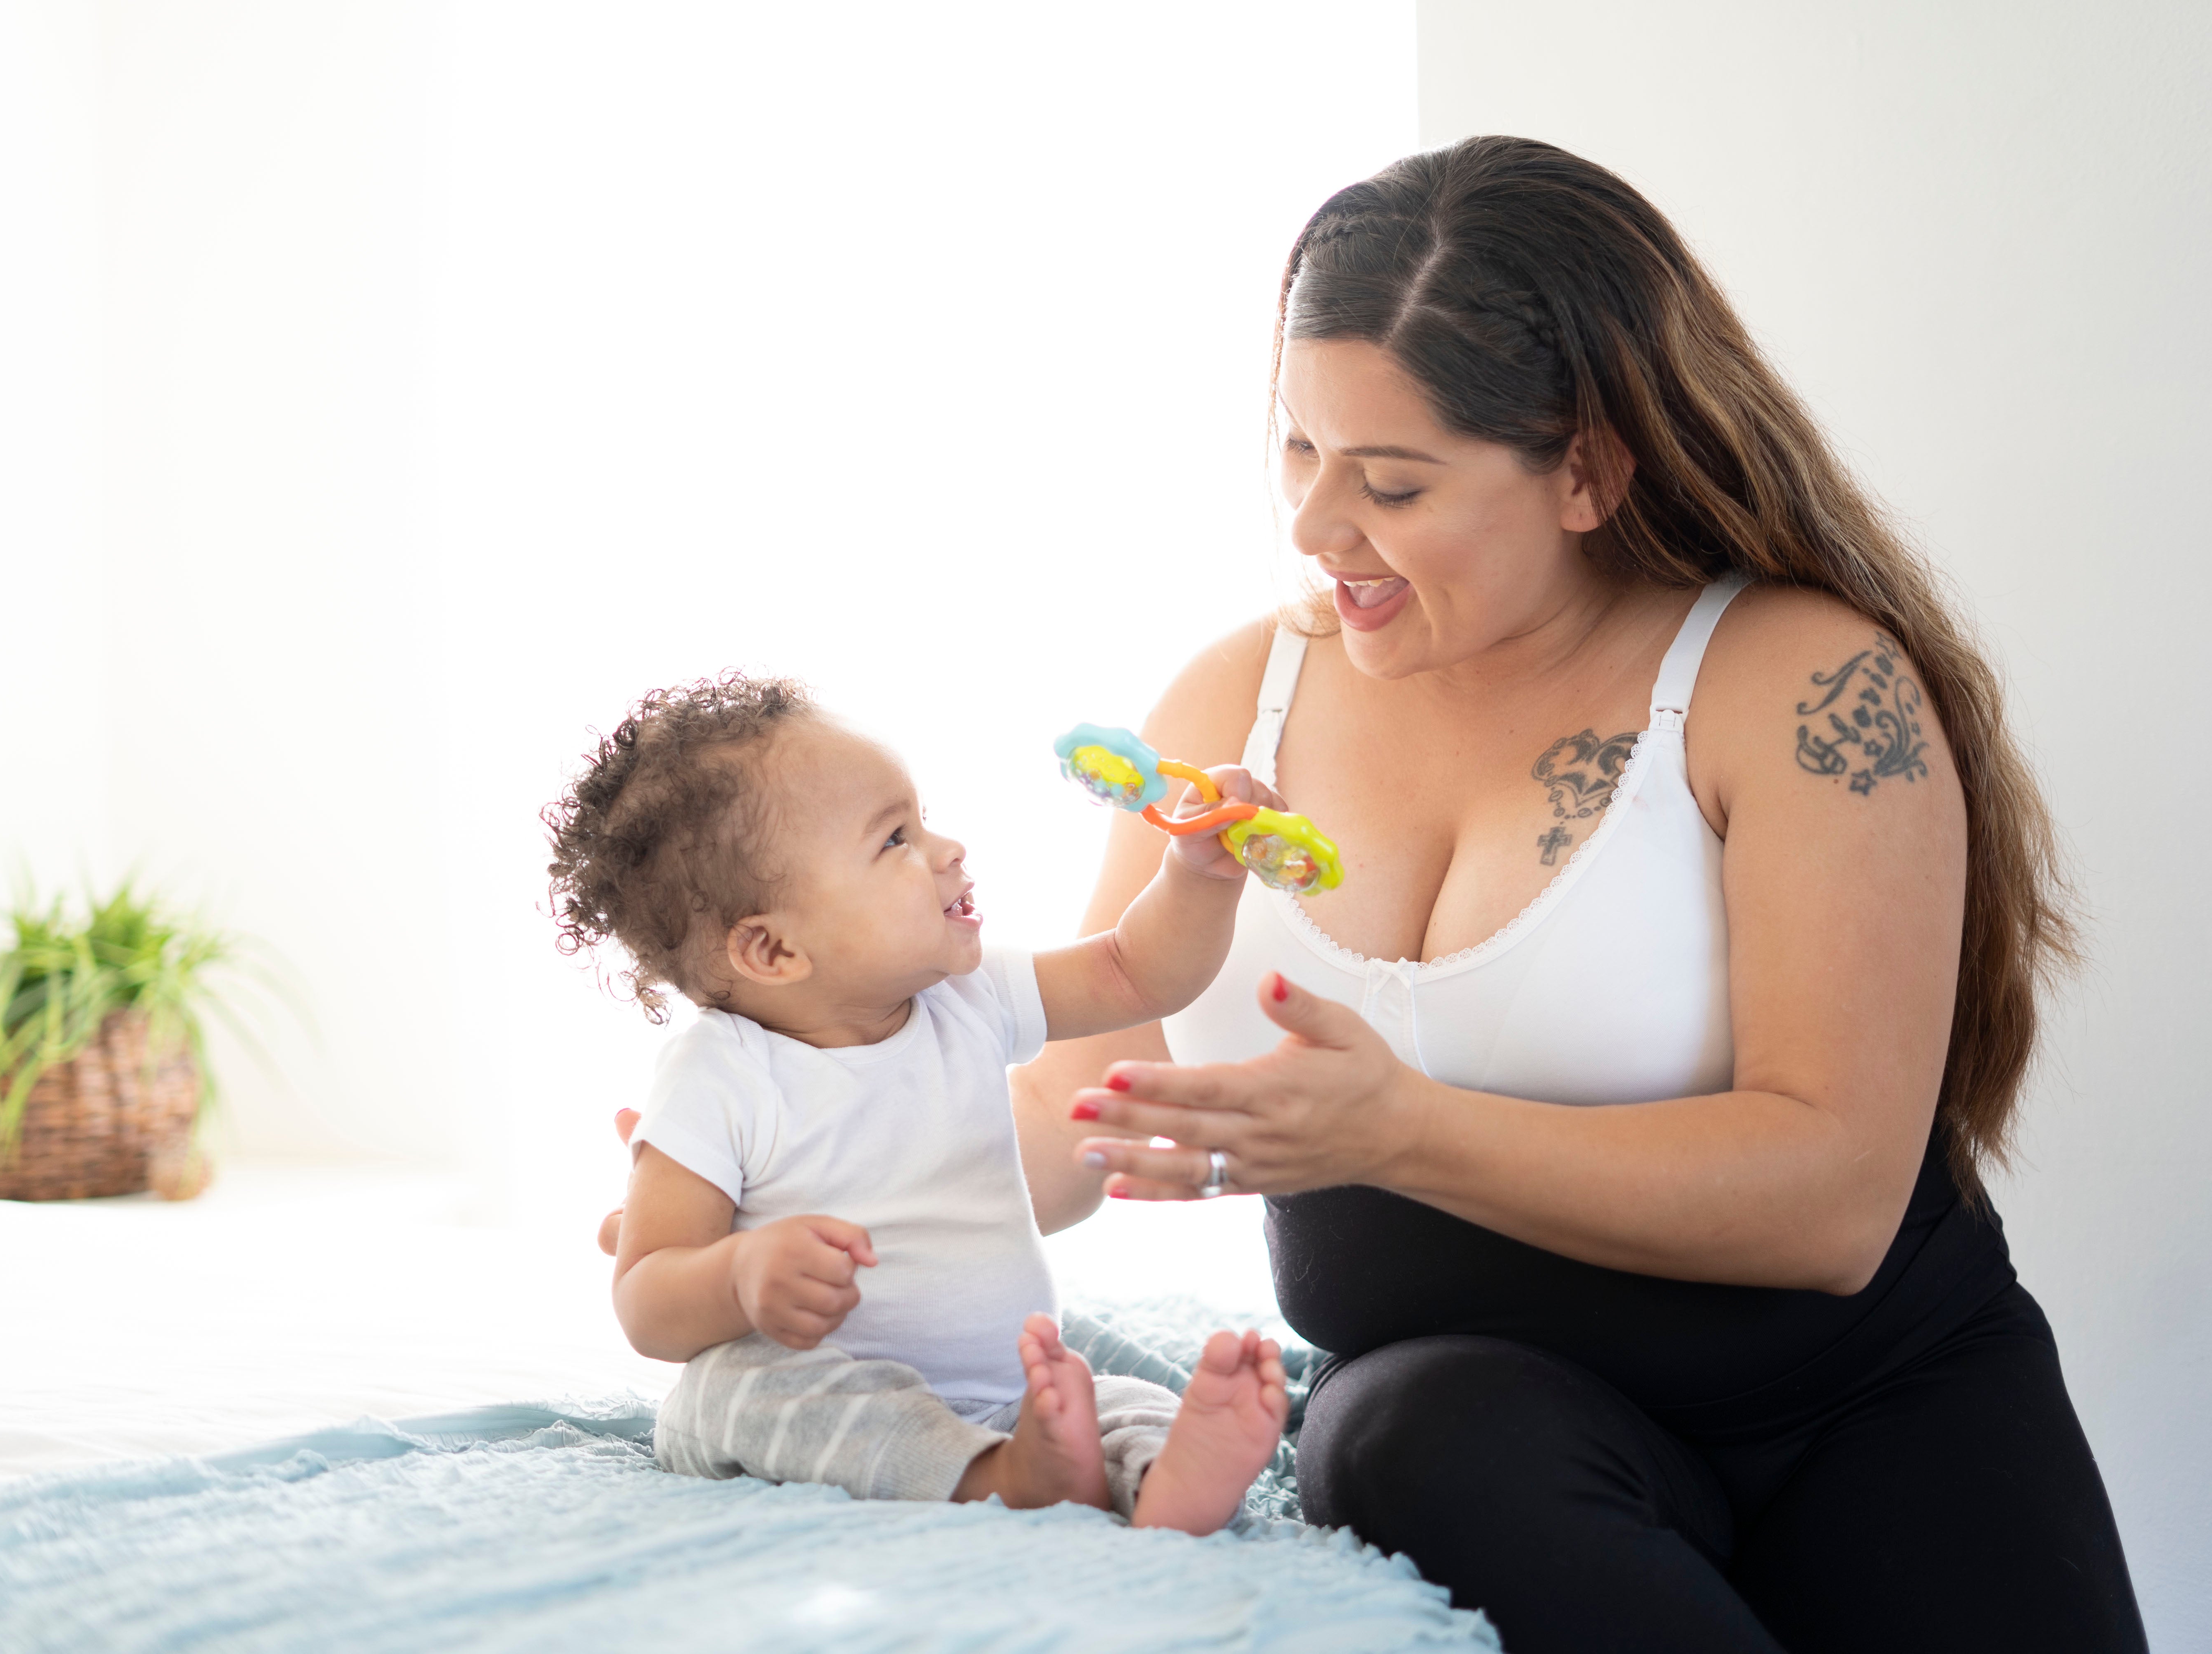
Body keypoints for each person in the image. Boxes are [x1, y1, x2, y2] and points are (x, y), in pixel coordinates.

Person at [1012, 138, 2148, 1652]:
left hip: (1868, 1409)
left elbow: (1836, 1207)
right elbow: (1072, 1117)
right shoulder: (1234, 703)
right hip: (1486, 1432)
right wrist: (794, 1178)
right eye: (1298, 449)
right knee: (1400, 1432)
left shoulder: (1797, 685)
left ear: (1588, 468)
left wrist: (1397, 1133)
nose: (1314, 526)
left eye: (1392, 481)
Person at [544, 675, 1288, 1533]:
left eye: (922, 817)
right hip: (826, 1375)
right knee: (748, 1394)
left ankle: (1163, 1477)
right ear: (774, 946)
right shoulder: (719, 1076)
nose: (948, 847)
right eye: (896, 838)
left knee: (1119, 1397)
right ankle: (1004, 1475)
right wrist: (739, 1276)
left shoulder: (970, 995)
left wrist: (1197, 873)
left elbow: (1135, 971)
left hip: (1005, 1383)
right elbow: (645, 1296)